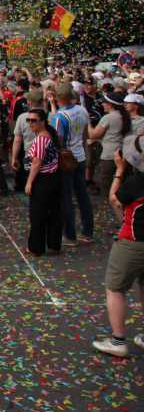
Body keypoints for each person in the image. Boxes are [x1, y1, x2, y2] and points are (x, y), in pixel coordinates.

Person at [92, 134, 144, 357]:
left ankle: (118, 340)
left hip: (133, 240)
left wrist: (120, 171)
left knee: (115, 288)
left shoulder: (136, 183)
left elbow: (115, 199)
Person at [49, 82, 94, 244]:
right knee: (82, 195)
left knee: (66, 197)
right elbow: (85, 134)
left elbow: (58, 141)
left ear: (58, 97)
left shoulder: (59, 117)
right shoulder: (82, 110)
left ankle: (70, 235)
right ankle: (88, 231)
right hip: (80, 155)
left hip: (67, 159)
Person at [23, 109, 63, 256]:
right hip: (53, 178)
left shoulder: (41, 138)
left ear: (42, 121)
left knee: (38, 215)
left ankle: (36, 247)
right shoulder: (49, 135)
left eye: (34, 120)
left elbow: (37, 162)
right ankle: (53, 244)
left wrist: (29, 182)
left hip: (43, 179)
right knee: (53, 212)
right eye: (28, 120)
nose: (30, 123)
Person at [90, 91, 132, 229]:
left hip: (109, 157)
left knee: (111, 193)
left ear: (111, 104)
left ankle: (124, 225)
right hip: (123, 155)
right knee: (123, 190)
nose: (102, 104)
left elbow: (94, 134)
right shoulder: (125, 116)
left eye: (104, 102)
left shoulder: (108, 118)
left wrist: (87, 123)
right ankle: (127, 219)